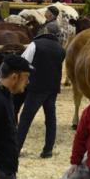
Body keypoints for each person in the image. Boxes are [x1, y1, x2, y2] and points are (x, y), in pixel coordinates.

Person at [17, 23, 65, 158]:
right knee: (50, 119)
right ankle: (48, 150)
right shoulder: (61, 49)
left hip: (36, 87)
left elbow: (23, 62)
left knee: (26, 118)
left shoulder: (35, 44)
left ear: (45, 30)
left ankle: (16, 148)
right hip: (52, 88)